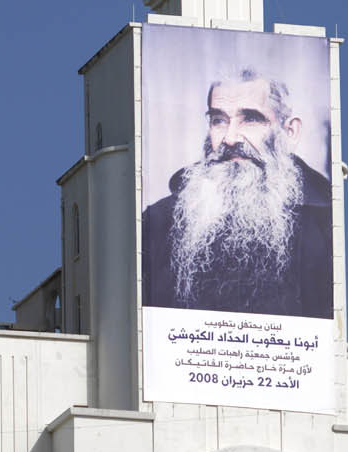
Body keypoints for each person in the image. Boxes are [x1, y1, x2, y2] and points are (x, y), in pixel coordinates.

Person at [142, 67, 333, 317]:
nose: (230, 139)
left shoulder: (327, 224)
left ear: (290, 132)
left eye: (251, 119)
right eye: (219, 120)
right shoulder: (157, 222)